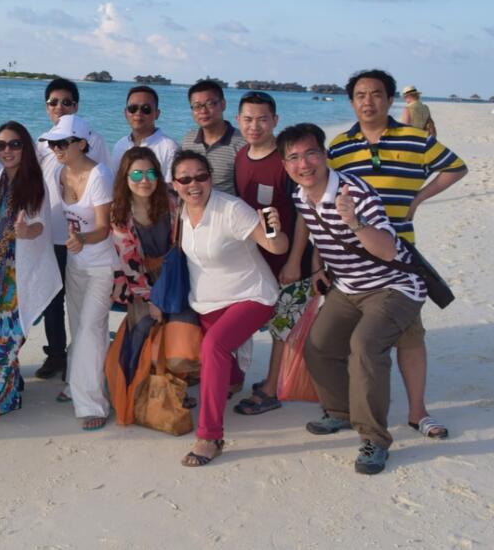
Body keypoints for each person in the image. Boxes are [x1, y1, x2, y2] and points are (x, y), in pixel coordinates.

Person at [279, 123, 428, 474]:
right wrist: (316, 266)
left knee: (365, 346)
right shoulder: (301, 195)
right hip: (348, 286)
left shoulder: (356, 194)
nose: (304, 164)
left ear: (325, 155)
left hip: (394, 286)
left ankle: (374, 439)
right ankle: (340, 411)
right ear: (285, 165)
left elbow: (388, 250)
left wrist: (355, 221)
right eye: (294, 158)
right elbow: (312, 225)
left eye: (311, 153)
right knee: (318, 345)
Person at [328, 69, 467, 440]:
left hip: (401, 255)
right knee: (354, 339)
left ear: (390, 100)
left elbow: (456, 167)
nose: (368, 101)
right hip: (354, 256)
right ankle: (350, 408)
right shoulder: (339, 147)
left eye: (376, 94)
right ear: (351, 102)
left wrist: (418, 199)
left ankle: (418, 412)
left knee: (410, 336)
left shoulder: (415, 138)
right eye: (360, 95)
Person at [168, 150, 288, 466]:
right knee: (213, 353)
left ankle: (210, 436)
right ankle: (233, 380)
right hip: (206, 301)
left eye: (201, 176)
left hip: (251, 295)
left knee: (214, 346)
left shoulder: (232, 209)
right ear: (175, 184)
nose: (194, 184)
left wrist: (274, 229)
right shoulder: (179, 209)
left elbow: (276, 246)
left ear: (211, 177)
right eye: (185, 179)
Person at [0, 122, 60, 418]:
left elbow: (40, 223)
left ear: (25, 148)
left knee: (3, 339)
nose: (7, 150)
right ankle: (10, 393)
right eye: (0, 145)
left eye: (14, 144)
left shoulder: (34, 183)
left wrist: (27, 231)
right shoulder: (2, 178)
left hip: (19, 275)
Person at [230, 91, 313, 416]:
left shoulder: (287, 160)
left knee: (282, 325)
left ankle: (270, 390)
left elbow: (305, 212)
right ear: (238, 120)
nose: (255, 126)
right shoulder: (241, 156)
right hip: (255, 258)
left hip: (289, 259)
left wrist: (294, 260)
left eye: (263, 119)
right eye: (248, 119)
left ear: (275, 120)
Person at [41, 114, 116, 431]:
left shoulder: (100, 175)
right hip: (76, 264)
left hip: (101, 265)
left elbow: (104, 227)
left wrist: (82, 239)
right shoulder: (58, 171)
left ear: (82, 144)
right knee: (79, 328)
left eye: (63, 143)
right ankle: (76, 382)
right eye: (53, 144)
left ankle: (93, 403)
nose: (56, 149)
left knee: (89, 332)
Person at [34, 78, 111, 381]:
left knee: (83, 309)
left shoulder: (94, 140)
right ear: (46, 107)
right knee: (53, 301)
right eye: (53, 102)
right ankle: (57, 355)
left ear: (76, 106)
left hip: (86, 240)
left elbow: (102, 189)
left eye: (66, 102)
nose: (60, 107)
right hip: (49, 233)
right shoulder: (42, 142)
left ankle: (83, 363)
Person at [108, 145, 176, 315]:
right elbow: (129, 264)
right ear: (125, 177)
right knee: (145, 324)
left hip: (176, 273)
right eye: (137, 174)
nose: (145, 180)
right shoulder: (120, 212)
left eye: (151, 174)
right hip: (140, 280)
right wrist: (151, 298)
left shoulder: (172, 197)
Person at [180, 80, 246, 195]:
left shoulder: (242, 143)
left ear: (223, 104)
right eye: (197, 106)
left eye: (210, 104)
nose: (203, 111)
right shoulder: (188, 140)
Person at [109, 85, 180, 176]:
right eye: (132, 108)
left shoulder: (170, 149)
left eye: (146, 109)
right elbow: (114, 180)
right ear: (126, 113)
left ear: (157, 114)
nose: (138, 113)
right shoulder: (120, 145)